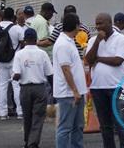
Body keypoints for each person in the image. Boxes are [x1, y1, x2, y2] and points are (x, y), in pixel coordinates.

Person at [84, 13, 124, 148]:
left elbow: (118, 60)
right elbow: (88, 60)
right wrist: (98, 42)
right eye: (97, 24)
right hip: (97, 87)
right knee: (105, 126)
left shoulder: (120, 39)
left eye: (101, 23)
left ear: (110, 23)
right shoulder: (94, 40)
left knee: (121, 123)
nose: (98, 26)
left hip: (117, 87)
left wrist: (99, 59)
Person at [12, 28, 53, 148]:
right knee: (38, 117)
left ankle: (27, 141)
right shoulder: (42, 54)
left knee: (27, 116)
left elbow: (16, 74)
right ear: (36, 40)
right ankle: (33, 143)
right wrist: (54, 91)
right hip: (40, 88)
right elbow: (50, 74)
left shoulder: (19, 54)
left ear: (24, 40)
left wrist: (15, 77)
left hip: (25, 89)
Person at [53, 13, 87, 148]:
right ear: (76, 25)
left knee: (77, 127)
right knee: (65, 128)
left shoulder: (70, 41)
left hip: (76, 92)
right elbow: (65, 69)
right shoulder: (63, 44)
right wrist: (75, 91)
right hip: (69, 94)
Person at [0, 7, 25, 121]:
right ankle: (20, 112)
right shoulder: (17, 29)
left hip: (0, 62)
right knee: (16, 86)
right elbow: (23, 43)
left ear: (2, 17)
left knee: (2, 86)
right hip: (15, 62)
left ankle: (3, 113)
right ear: (13, 17)